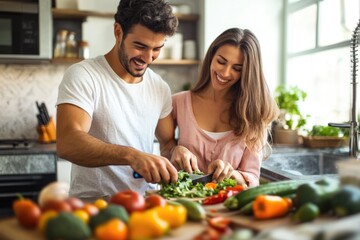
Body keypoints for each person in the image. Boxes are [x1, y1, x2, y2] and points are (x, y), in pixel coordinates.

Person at [56, 0, 180, 201]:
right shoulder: (84, 75)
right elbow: (67, 142)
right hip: (95, 205)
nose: (148, 58)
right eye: (140, 46)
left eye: (157, 48)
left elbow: (167, 144)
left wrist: (178, 151)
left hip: (146, 203)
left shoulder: (159, 87)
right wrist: (131, 156)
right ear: (118, 32)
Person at [170, 28, 279, 187]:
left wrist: (232, 174)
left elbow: (252, 178)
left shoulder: (254, 112)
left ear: (247, 73)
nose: (225, 73)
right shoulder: (178, 102)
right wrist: (175, 150)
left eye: (237, 68)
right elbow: (165, 148)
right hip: (182, 204)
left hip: (227, 208)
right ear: (211, 57)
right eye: (221, 61)